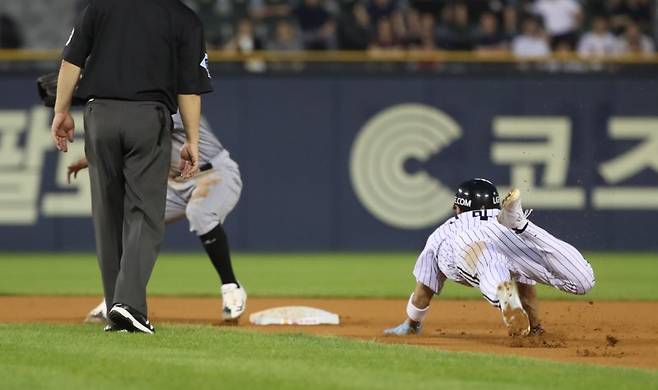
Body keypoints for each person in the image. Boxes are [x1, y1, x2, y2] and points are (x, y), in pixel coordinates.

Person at [50, 0, 212, 334]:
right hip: (146, 116)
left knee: (108, 218)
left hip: (99, 115)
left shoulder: (101, 7)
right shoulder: (184, 18)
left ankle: (117, 310)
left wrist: (61, 111)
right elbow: (189, 88)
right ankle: (129, 306)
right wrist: (192, 141)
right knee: (144, 214)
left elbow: (72, 60)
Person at [68, 112, 247, 325]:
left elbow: (134, 136)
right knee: (131, 221)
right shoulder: (145, 104)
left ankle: (231, 287)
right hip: (176, 184)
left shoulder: (173, 107)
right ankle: (118, 300)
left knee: (200, 212)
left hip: (215, 174)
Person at [384, 179, 595, 337]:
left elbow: (423, 291)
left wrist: (412, 323)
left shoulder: (444, 231)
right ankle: (523, 223)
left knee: (487, 262)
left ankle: (505, 298)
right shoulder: (501, 223)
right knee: (582, 281)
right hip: (507, 233)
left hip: (468, 243)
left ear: (457, 208)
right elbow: (527, 289)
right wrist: (535, 326)